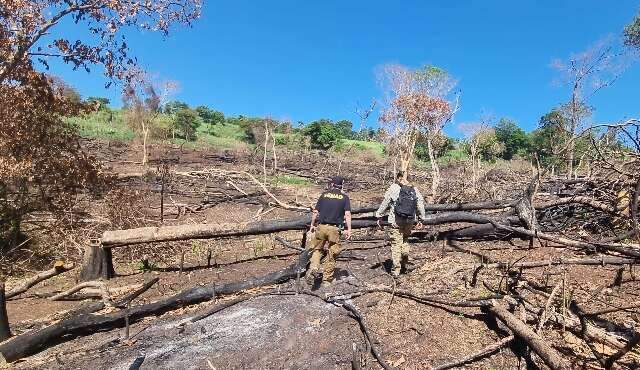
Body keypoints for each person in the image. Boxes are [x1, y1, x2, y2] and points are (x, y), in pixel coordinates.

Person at [375, 171, 426, 277]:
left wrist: (379, 215)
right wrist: (421, 219)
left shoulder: (393, 188)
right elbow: (420, 205)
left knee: (396, 245)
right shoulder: (414, 189)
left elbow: (385, 202)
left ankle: (396, 270)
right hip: (409, 221)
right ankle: (405, 258)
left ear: (398, 178)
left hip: (395, 222)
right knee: (405, 240)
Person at [306, 176, 352, 287]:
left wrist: (312, 224)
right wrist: (349, 229)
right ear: (341, 185)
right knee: (332, 253)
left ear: (332, 184)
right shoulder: (344, 197)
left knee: (317, 249)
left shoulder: (324, 195)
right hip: (335, 229)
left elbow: (316, 212)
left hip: (321, 226)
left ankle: (314, 268)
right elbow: (347, 214)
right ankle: (326, 280)